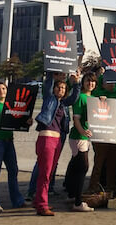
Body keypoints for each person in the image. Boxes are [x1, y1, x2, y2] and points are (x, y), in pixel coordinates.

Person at [34, 70, 81, 216]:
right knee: (45, 174)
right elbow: (47, 85)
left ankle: (39, 201)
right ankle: (42, 205)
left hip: (57, 139)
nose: (60, 90)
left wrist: (76, 83)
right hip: (47, 138)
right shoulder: (49, 98)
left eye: (63, 88)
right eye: (58, 87)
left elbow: (74, 98)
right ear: (54, 89)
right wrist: (50, 73)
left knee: (49, 172)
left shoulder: (63, 104)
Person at [0, 71, 29, 212]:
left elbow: (20, 120)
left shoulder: (12, 105)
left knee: (13, 171)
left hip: (9, 142)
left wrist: (27, 121)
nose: (1, 91)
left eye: (3, 88)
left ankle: (17, 200)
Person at [64, 71, 96, 212]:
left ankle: (71, 194)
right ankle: (78, 201)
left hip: (85, 137)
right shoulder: (80, 97)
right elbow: (76, 118)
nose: (90, 84)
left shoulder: (93, 98)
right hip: (79, 136)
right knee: (83, 167)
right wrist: (83, 132)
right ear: (83, 83)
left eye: (93, 81)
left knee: (76, 166)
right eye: (88, 81)